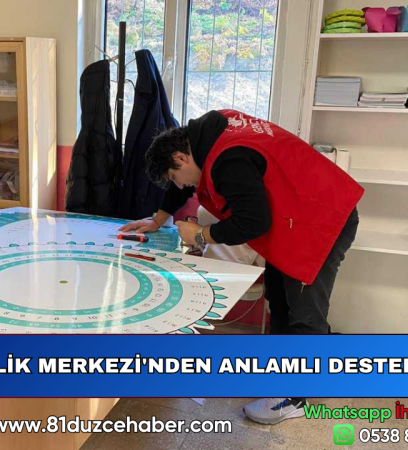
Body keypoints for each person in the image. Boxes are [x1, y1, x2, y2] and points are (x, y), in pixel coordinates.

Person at [120, 109, 363, 424]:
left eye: (172, 176)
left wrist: (201, 234)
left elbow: (253, 222)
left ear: (180, 157)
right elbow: (186, 185)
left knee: (304, 311)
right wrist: (157, 220)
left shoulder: (228, 159)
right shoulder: (206, 136)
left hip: (322, 221)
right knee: (279, 299)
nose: (178, 185)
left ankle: (295, 397)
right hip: (298, 215)